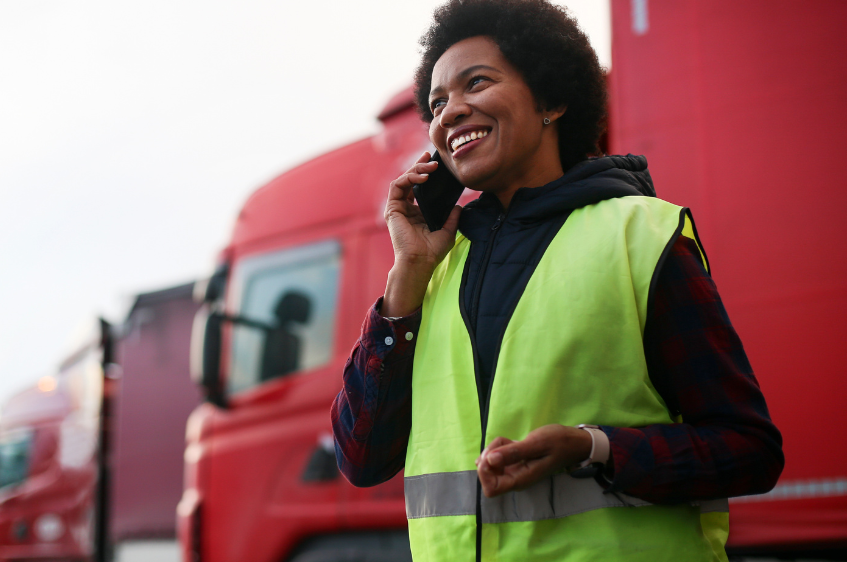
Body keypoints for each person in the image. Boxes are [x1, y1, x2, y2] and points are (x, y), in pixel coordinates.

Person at [330, 1, 783, 561]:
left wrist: (594, 447)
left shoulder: (640, 234)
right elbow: (360, 458)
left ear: (551, 100)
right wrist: (409, 271)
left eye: (477, 83)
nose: (449, 114)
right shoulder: (432, 269)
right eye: (438, 103)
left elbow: (748, 450)